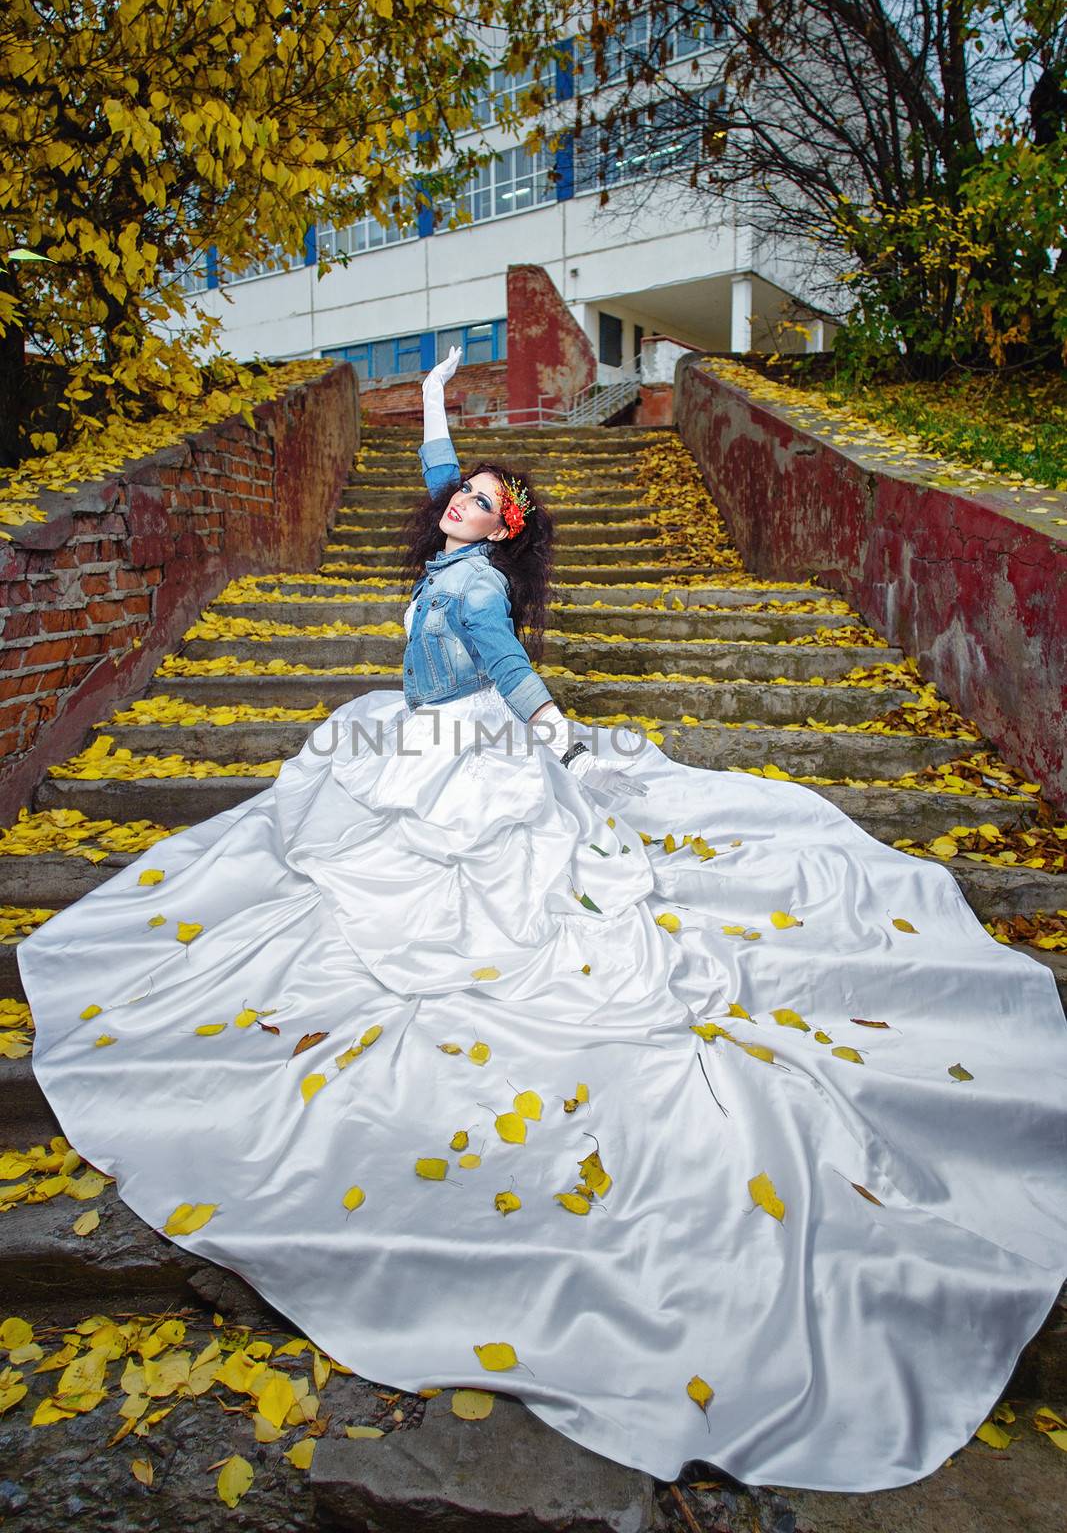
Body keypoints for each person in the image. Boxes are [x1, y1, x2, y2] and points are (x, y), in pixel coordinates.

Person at [16, 348, 1067, 1494]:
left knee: (481, 891)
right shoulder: (454, 544)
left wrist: (555, 735)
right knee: (342, 848)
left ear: (498, 532)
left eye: (477, 499)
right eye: (460, 491)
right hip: (418, 737)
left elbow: (508, 661)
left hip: (466, 747)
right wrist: (430, 401)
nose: (457, 497)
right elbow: (434, 476)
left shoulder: (471, 583)